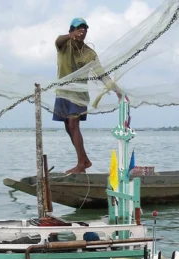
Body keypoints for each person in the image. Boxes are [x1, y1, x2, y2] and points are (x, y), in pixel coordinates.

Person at [54, 17, 122, 174]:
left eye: (85, 29)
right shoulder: (64, 45)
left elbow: (101, 74)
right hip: (62, 92)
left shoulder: (89, 53)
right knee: (68, 127)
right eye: (79, 28)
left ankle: (81, 164)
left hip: (79, 95)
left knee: (73, 125)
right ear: (72, 30)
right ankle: (84, 160)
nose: (82, 31)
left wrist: (116, 89)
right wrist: (69, 36)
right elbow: (57, 40)